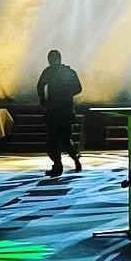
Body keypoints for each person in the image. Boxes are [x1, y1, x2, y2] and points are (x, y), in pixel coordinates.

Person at [36, 48, 83, 177]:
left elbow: (40, 86)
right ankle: (75, 159)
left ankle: (58, 165)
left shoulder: (48, 72)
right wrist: (67, 94)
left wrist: (44, 101)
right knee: (66, 139)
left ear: (49, 60)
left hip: (53, 110)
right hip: (66, 109)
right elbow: (78, 88)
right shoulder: (69, 72)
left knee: (52, 140)